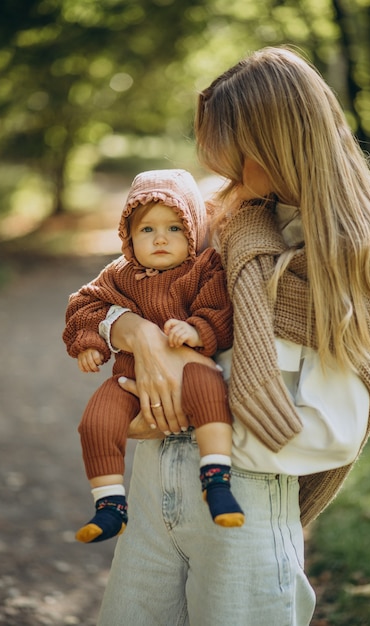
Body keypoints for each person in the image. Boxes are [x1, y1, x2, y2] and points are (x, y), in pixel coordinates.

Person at [95, 46, 370, 626]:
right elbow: (109, 291)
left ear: (278, 146)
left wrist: (189, 421)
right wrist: (137, 334)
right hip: (152, 495)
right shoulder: (219, 219)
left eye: (236, 158)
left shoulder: (346, 262)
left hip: (240, 507)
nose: (222, 177)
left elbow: (333, 433)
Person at [63, 168, 245, 544]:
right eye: (147, 230)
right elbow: (83, 305)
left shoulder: (203, 268)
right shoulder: (119, 274)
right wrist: (90, 344)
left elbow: (221, 311)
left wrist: (197, 330)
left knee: (208, 389)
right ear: (128, 236)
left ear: (193, 229)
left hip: (190, 367)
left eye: (174, 228)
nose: (161, 238)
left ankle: (217, 478)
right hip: (129, 379)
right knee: (95, 421)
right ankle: (110, 504)